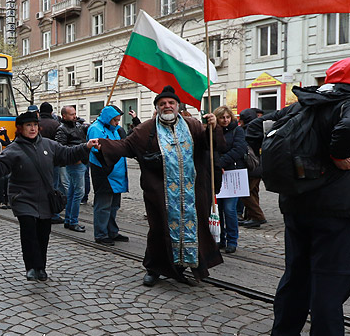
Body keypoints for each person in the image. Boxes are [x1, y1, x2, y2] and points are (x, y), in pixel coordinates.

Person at [250, 57, 350, 336]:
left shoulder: (303, 104)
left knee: (296, 275)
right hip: (334, 209)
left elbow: (254, 128)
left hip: (296, 204)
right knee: (331, 282)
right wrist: (337, 154)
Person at [97, 86, 225, 287]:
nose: (167, 106)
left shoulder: (192, 125)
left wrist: (213, 127)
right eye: (163, 103)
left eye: (171, 103)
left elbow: (212, 145)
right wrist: (102, 144)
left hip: (192, 191)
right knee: (159, 230)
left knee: (193, 228)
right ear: (157, 107)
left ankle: (186, 266)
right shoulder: (146, 129)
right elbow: (126, 146)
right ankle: (154, 269)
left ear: (177, 106)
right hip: (160, 192)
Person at [0, 111, 99, 281]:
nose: (33, 128)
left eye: (35, 125)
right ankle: (31, 267)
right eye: (29, 125)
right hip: (23, 198)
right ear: (20, 128)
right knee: (29, 232)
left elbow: (67, 153)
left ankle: (41, 267)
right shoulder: (14, 148)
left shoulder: (49, 145)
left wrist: (86, 146)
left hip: (45, 197)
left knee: (43, 234)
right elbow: (0, 168)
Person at [88, 105, 128, 245]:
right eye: (115, 120)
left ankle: (112, 231)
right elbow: (95, 151)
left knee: (114, 205)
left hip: (116, 173)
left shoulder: (115, 129)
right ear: (108, 118)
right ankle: (101, 234)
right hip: (104, 172)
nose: (118, 123)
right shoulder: (95, 128)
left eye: (118, 120)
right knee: (103, 205)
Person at [213, 106, 246, 254]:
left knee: (230, 209)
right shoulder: (213, 131)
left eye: (227, 117)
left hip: (232, 174)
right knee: (217, 209)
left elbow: (239, 149)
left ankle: (232, 240)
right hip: (217, 174)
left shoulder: (237, 130)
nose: (225, 120)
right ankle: (221, 238)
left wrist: (221, 162)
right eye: (222, 118)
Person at [55, 105, 88, 231]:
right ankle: (73, 221)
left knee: (73, 193)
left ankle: (69, 220)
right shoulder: (62, 129)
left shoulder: (77, 125)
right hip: (74, 163)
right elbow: (61, 148)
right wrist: (74, 157)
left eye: (75, 113)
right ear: (64, 116)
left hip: (80, 162)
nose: (74, 116)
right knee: (78, 193)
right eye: (71, 114)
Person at [237, 108, 266, 228]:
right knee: (253, 192)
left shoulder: (247, 131)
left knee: (245, 193)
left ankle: (258, 217)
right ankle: (251, 217)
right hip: (259, 165)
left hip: (252, 166)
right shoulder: (258, 129)